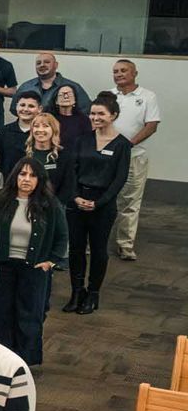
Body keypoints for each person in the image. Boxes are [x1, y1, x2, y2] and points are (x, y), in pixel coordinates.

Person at [0, 160, 66, 366]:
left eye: (32, 176)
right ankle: (3, 359)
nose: (26, 179)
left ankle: (25, 361)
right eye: (22, 174)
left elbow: (62, 236)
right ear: (14, 176)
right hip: (3, 266)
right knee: (3, 312)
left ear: (39, 180)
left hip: (34, 268)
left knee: (30, 315)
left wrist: (51, 261)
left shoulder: (49, 204)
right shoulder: (0, 201)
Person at [64, 93, 132, 316]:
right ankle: (76, 292)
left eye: (100, 113)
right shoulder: (82, 139)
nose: (95, 117)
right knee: (75, 248)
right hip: (78, 201)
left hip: (102, 205)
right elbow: (71, 171)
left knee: (98, 250)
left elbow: (119, 179)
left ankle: (93, 294)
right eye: (92, 113)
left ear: (113, 115)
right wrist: (75, 197)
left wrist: (99, 202)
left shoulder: (122, 145)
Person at [108, 59, 161, 262]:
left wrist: (127, 145)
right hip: (108, 158)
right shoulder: (108, 95)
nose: (119, 74)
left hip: (134, 156)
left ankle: (125, 245)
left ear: (134, 73)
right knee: (104, 198)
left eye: (123, 70)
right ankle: (95, 240)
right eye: (115, 71)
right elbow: (98, 119)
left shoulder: (148, 96)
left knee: (130, 201)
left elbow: (151, 125)